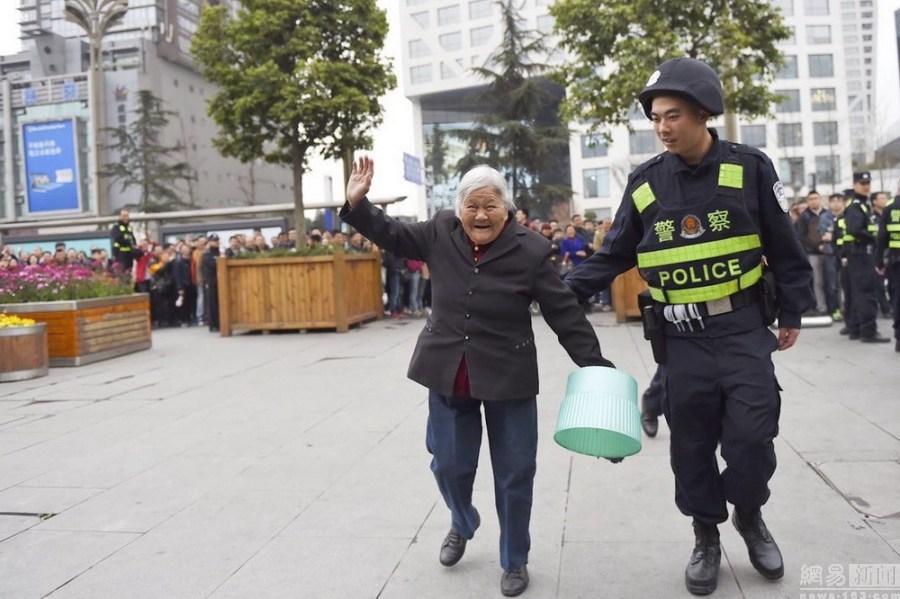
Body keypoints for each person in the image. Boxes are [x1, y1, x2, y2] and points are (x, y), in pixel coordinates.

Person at [564, 57, 813, 595]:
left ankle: (749, 512)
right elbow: (614, 254)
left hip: (743, 328)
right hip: (681, 340)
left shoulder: (750, 168)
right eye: (656, 118)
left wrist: (792, 310)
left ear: (703, 113)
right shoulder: (647, 183)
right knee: (691, 445)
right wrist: (559, 293)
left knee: (753, 436)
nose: (662, 127)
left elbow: (784, 246)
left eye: (673, 115)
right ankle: (706, 534)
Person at [341, 156, 612, 598]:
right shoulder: (439, 230)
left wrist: (596, 367)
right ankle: (463, 520)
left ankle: (514, 559)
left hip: (509, 377)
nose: (480, 215)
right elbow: (393, 235)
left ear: (507, 209)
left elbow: (563, 312)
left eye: (490, 206)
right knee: (448, 464)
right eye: (472, 206)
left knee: (515, 473)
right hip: (449, 372)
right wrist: (358, 204)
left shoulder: (531, 250)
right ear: (459, 207)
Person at [843, 172, 890, 342]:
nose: (866, 186)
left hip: (860, 254)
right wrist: (874, 238)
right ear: (855, 185)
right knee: (866, 293)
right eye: (862, 183)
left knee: (859, 292)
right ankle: (868, 332)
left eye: (868, 183)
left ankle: (856, 329)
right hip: (861, 253)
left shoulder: (863, 204)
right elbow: (855, 230)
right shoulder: (856, 206)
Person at [795, 190, 828, 315]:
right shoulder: (804, 216)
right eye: (811, 199)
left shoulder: (827, 214)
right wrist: (817, 246)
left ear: (820, 199)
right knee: (817, 282)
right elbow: (802, 236)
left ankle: (834, 306)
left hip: (829, 252)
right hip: (812, 253)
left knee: (832, 282)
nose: (814, 201)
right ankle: (821, 307)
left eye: (816, 198)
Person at [876, 186, 900, 352]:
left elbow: (882, 237)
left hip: (896, 261)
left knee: (898, 299)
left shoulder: (890, 208)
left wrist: (879, 262)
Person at [201, 234, 221, 332]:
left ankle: (221, 322)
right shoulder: (206, 254)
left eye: (217, 240)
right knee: (212, 303)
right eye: (213, 241)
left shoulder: (221, 253)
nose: (216, 242)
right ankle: (213, 324)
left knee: (220, 302)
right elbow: (213, 265)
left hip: (221, 281)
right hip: (211, 281)